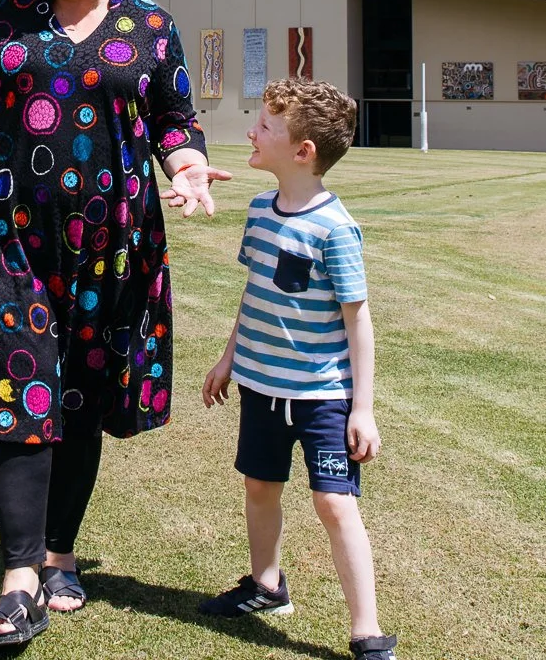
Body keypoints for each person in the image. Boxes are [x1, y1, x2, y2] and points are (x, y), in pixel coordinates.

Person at [0, 0, 229, 647]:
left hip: (112, 246)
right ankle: (21, 574)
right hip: (5, 232)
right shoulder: (1, 12)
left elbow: (172, 116)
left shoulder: (150, 25)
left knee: (82, 395)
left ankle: (61, 553)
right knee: (18, 381)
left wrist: (187, 166)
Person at [199, 78, 395, 660]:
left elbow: (359, 322)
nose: (252, 132)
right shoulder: (260, 210)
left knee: (335, 504)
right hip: (261, 384)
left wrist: (362, 408)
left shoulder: (335, 229)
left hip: (321, 396)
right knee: (260, 486)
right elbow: (254, 292)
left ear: (303, 151)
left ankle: (367, 632)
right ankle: (266, 586)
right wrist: (229, 357)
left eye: (265, 126)